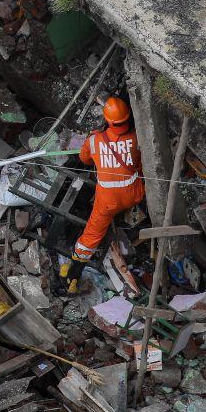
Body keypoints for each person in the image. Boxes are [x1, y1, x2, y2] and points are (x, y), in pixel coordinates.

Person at [59, 97, 146, 294]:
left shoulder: (94, 140)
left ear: (107, 120)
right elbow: (140, 160)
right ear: (127, 118)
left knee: (91, 235)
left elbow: (84, 159)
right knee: (139, 168)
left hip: (108, 202)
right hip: (134, 194)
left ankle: (74, 273)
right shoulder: (137, 138)